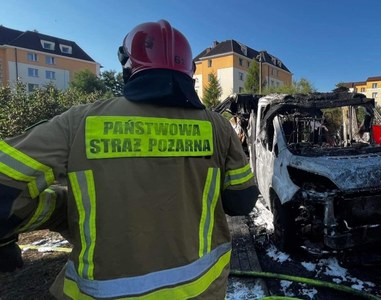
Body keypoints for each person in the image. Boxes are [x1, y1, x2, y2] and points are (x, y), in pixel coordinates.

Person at [0, 20, 258, 299]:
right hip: (201, 290)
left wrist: (57, 210)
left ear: (127, 65)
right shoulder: (217, 127)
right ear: (189, 71)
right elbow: (241, 201)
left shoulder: (79, 123)